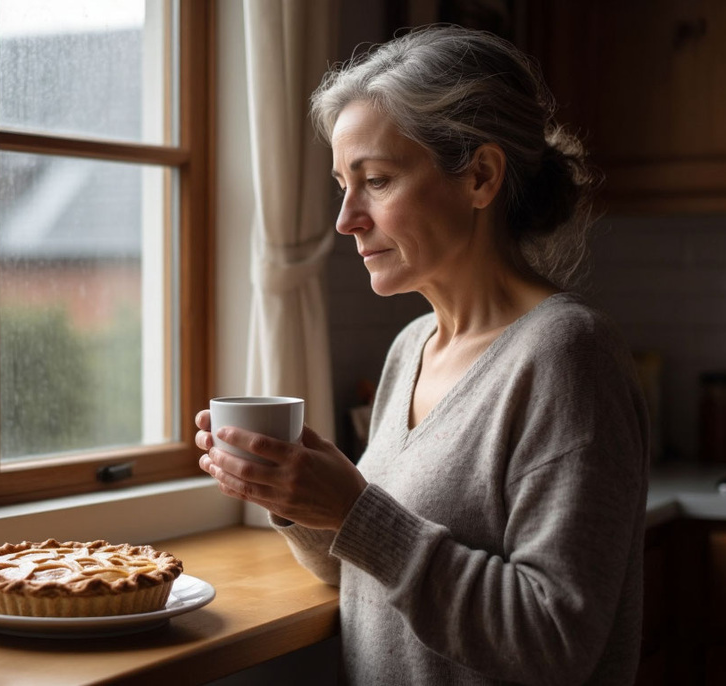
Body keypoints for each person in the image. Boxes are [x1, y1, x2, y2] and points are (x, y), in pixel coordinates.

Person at [195, 25, 649, 685]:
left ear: (481, 177)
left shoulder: (567, 357)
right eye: (343, 185)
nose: (347, 218)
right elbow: (371, 568)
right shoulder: (411, 348)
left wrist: (354, 509)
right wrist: (299, 496)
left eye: (375, 180)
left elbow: (553, 642)